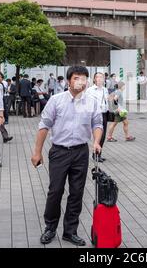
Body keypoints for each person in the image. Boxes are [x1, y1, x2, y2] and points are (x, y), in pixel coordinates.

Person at [31, 66, 103, 246]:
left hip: (81, 152)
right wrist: (37, 152)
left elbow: (98, 123)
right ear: (69, 81)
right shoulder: (56, 100)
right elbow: (44, 126)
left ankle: (70, 231)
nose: (81, 82)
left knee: (77, 192)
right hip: (59, 151)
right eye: (77, 78)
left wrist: (96, 141)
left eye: (84, 78)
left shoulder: (92, 101)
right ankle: (50, 227)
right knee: (55, 191)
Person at [87, 72, 109, 162]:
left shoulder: (105, 89)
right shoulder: (90, 90)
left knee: (103, 136)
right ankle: (96, 155)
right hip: (95, 114)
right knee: (98, 135)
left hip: (104, 114)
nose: (100, 79)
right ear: (94, 79)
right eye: (98, 77)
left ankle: (98, 153)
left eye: (101, 77)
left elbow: (106, 101)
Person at [0, 71, 13, 143]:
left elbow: (1, 97)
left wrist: (2, 107)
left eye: (1, 77)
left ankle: (5, 137)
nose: (0, 78)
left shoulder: (1, 86)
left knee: (1, 121)